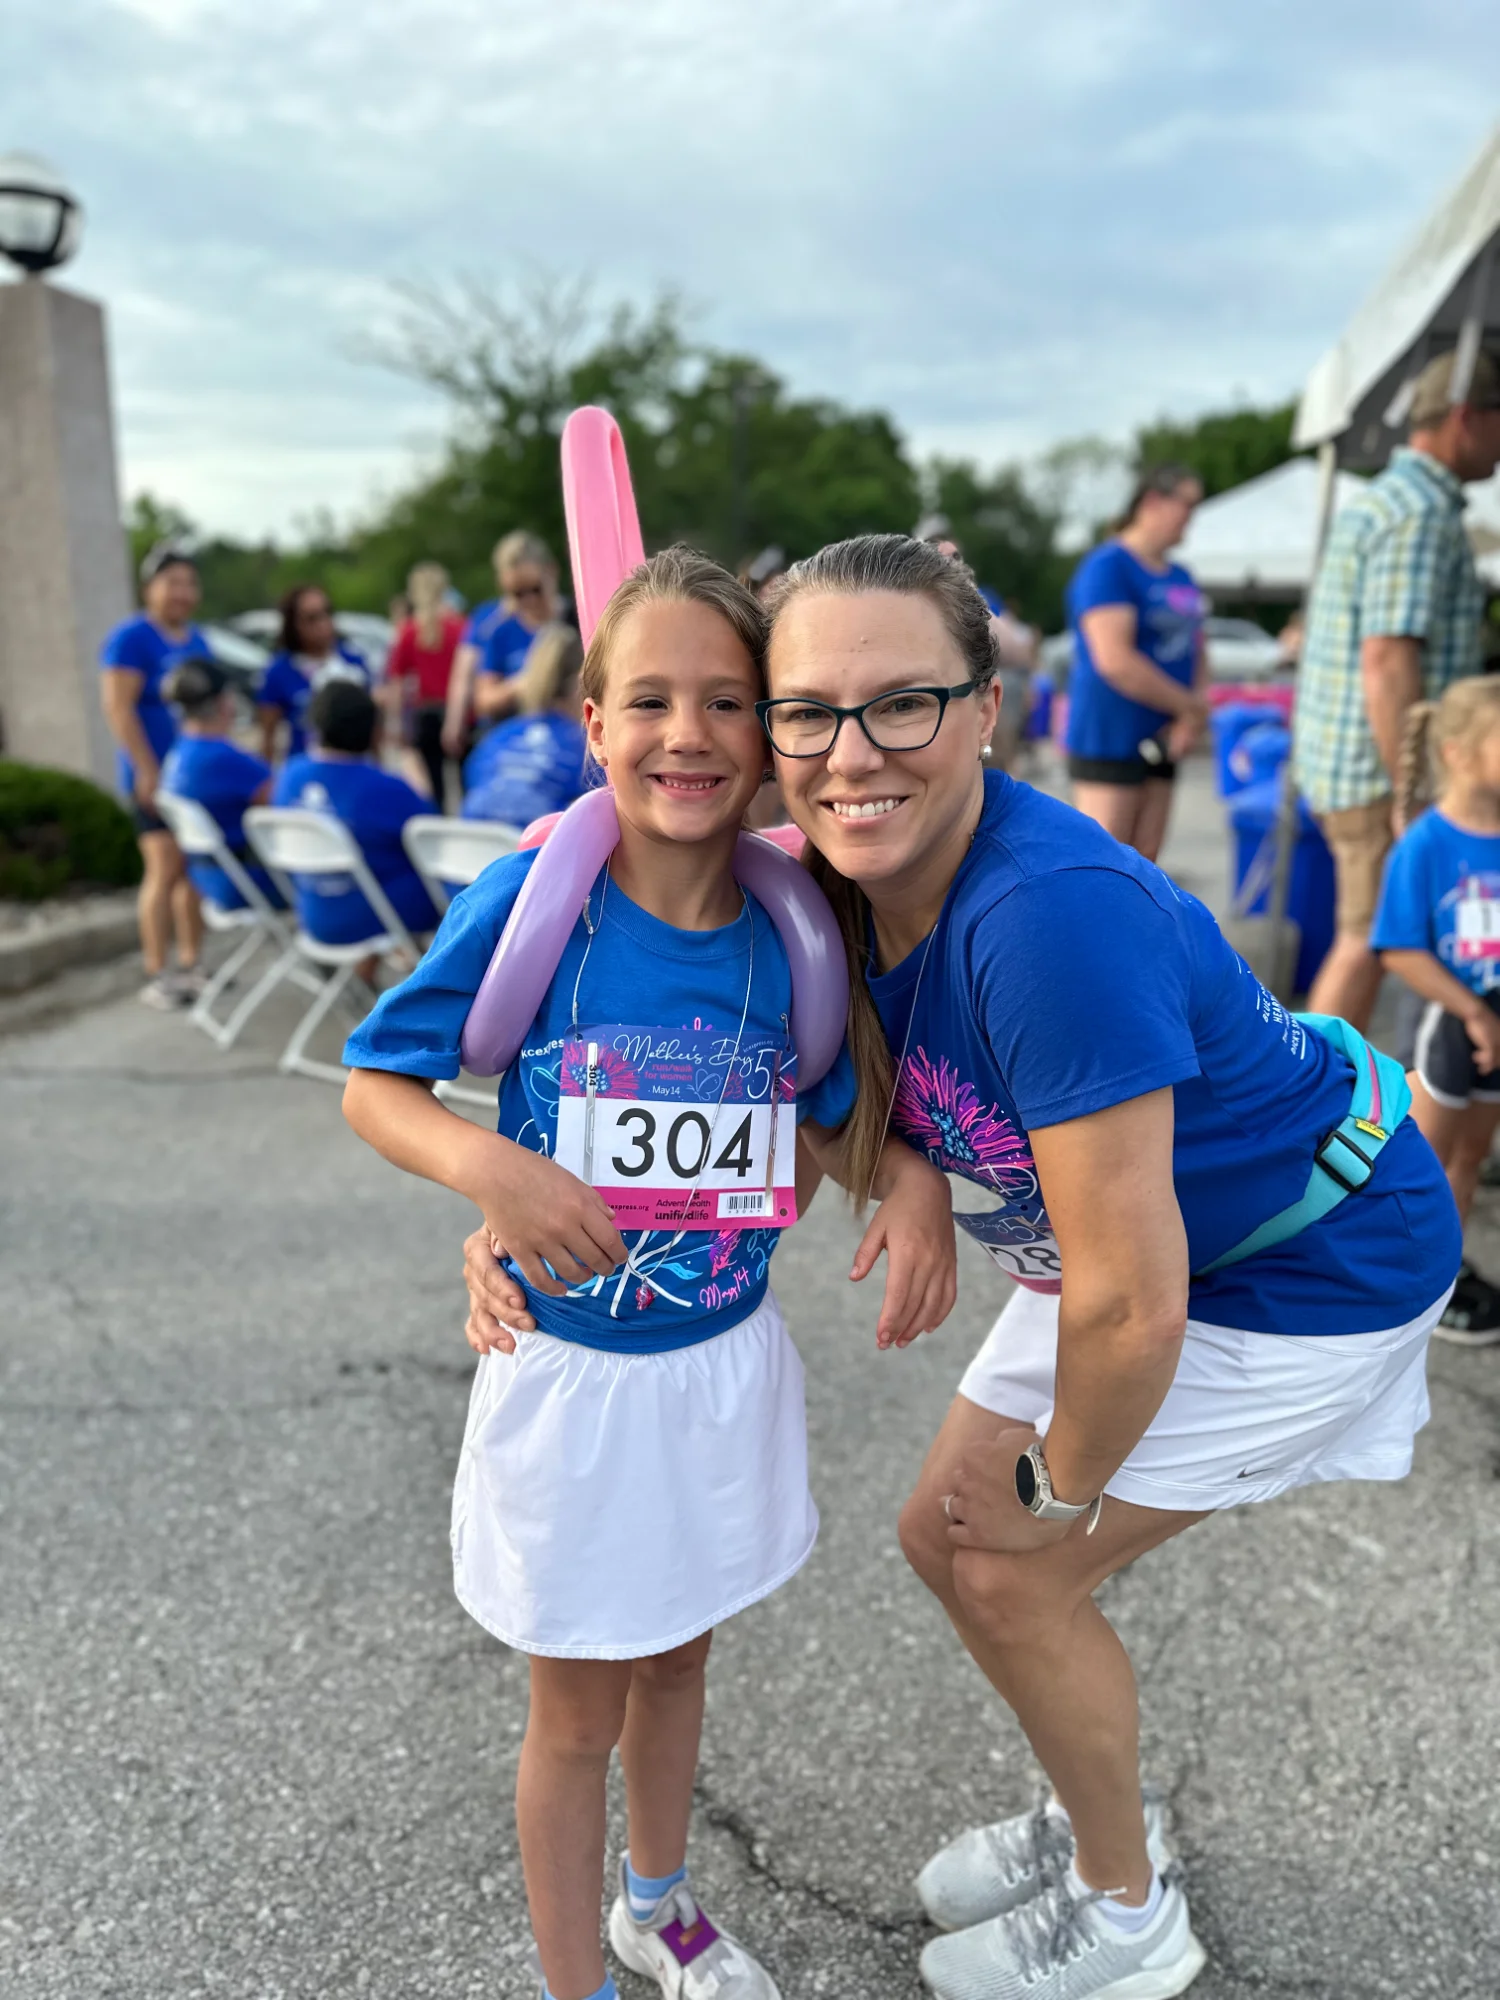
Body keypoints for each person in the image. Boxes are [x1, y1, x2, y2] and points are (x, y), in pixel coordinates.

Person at [468, 533, 1461, 2000]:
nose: (849, 752)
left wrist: (1060, 1492)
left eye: (904, 705)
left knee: (1011, 1569)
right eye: (807, 710)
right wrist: (514, 1204)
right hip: (1126, 1249)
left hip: (1304, 1257)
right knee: (945, 1536)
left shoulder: (1044, 920)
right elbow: (770, 1095)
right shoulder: (836, 868)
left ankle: (1130, 1915)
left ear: (992, 708)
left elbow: (1135, 1300)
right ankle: (1090, 1804)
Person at [342, 547, 953, 2000]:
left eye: (728, 701)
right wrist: (495, 1180)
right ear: (593, 721)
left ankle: (659, 1906)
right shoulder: (529, 908)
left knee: (678, 1666)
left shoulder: (800, 934)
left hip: (719, 1373)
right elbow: (380, 1083)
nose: (688, 734)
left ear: (769, 733)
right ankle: (580, 1985)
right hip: (573, 1388)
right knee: (572, 1714)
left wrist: (914, 1179)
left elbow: (840, 1108)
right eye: (651, 700)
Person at [1294, 348, 1500, 1030]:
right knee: (1370, 943)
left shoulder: (1391, 499)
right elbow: (1386, 660)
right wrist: (1411, 789)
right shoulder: (1418, 512)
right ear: (1467, 418)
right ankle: (1298, 1120)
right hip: (1380, 777)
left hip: (1361, 767)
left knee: (1372, 940)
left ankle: (1305, 1110)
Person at [1372, 675, 1500, 1343]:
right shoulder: (1426, 844)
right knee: (1425, 1159)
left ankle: (1445, 1272)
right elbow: (1397, 948)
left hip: (1495, 1024)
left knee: (1473, 1156)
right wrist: (1473, 1013)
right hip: (1446, 1025)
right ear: (1457, 753)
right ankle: (1415, 1280)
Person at [1063, 466, 1208, 861]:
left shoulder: (1181, 574)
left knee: (1145, 863)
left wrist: (1188, 717)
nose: (1192, 515)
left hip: (1165, 736)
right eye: (1187, 504)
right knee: (1105, 863)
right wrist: (1189, 707)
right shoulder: (1109, 566)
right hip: (1111, 736)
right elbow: (1115, 660)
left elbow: (1197, 647)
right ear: (1152, 502)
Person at [98, 543, 210, 1009]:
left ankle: (192, 964)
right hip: (153, 779)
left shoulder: (196, 641)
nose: (181, 593)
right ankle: (156, 971)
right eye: (172, 583)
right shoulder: (131, 639)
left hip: (189, 779)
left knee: (192, 872)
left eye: (188, 583)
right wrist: (145, 769)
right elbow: (118, 708)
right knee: (162, 869)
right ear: (150, 587)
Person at [271, 680, 438, 946]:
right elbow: (432, 835)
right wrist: (418, 777)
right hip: (375, 917)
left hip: (313, 913)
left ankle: (368, 972)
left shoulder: (289, 774)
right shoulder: (385, 788)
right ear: (374, 732)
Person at [159, 658, 281, 910]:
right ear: (224, 701)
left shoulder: (180, 752)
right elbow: (283, 800)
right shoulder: (222, 758)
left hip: (208, 879)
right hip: (248, 880)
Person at [442, 532, 562, 759]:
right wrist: (523, 684)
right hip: (512, 744)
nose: (528, 600)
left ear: (551, 571)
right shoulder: (496, 627)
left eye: (535, 589)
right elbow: (478, 693)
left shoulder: (575, 620)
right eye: (517, 593)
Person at [459, 625, 588, 828]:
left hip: (474, 856)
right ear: (581, 683)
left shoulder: (493, 741)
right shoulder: (588, 749)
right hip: (538, 854)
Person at [256, 585, 373, 761]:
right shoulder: (279, 670)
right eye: (312, 618)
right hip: (306, 773)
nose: (323, 623)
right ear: (294, 624)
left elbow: (372, 727)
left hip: (352, 769)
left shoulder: (354, 664)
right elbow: (268, 738)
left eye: (327, 613)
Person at [386, 562, 466, 803]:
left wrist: (397, 723)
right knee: (464, 785)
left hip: (425, 714)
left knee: (433, 791)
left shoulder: (409, 631)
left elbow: (397, 683)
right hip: (459, 713)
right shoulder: (460, 627)